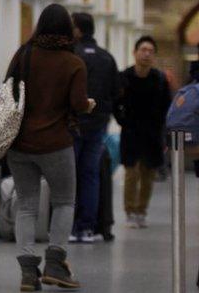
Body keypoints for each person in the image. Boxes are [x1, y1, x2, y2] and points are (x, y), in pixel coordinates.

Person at [6, 4, 94, 292]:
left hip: (19, 143)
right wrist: (90, 105)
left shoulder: (24, 55)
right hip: (56, 144)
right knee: (64, 201)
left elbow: (7, 91)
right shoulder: (73, 63)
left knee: (27, 205)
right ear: (68, 30)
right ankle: (55, 264)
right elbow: (79, 105)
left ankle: (28, 273)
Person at [70, 13, 121, 243]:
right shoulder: (107, 58)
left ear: (78, 30)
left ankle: (70, 225)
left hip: (74, 123)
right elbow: (116, 91)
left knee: (70, 174)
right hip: (98, 124)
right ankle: (87, 227)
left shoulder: (71, 56)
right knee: (90, 174)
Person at [115, 36, 172, 229]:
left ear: (154, 55)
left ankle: (141, 211)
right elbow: (116, 104)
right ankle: (130, 211)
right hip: (131, 132)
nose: (146, 54)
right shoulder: (124, 77)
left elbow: (167, 106)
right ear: (135, 52)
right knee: (131, 173)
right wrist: (122, 121)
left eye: (150, 51)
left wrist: (162, 129)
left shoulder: (160, 79)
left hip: (152, 134)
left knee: (148, 174)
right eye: (143, 50)